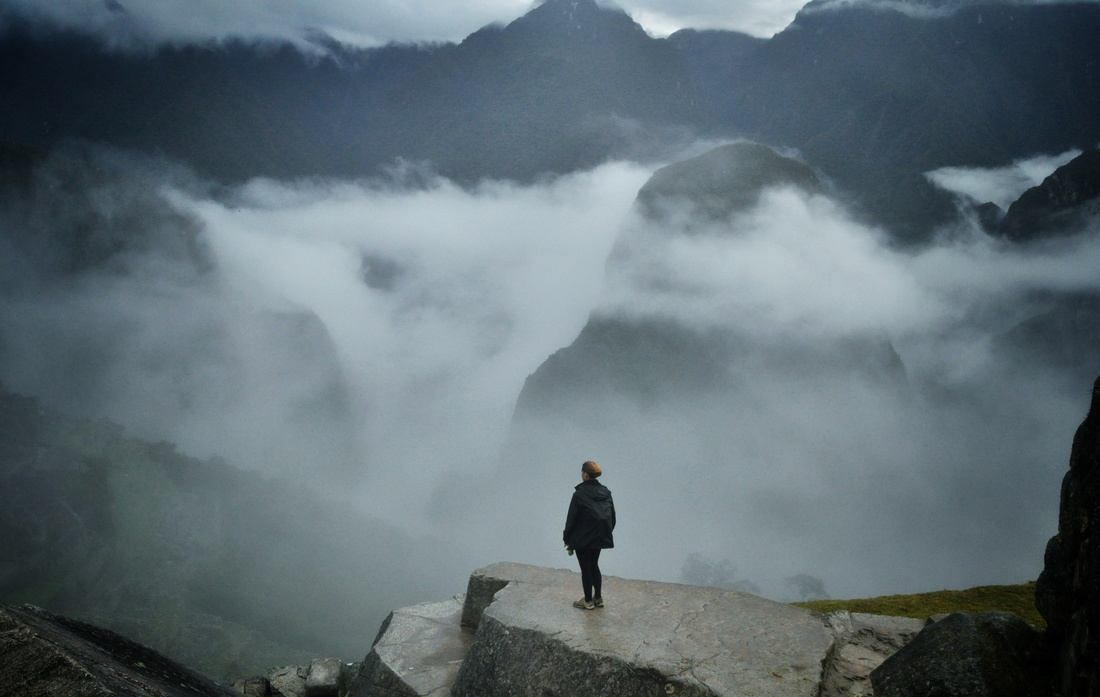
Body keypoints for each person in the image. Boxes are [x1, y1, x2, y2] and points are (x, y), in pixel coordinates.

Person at [563, 460, 616, 610]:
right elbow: (612, 517)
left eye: (582, 472)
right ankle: (598, 598)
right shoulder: (606, 492)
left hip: (582, 538)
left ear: (585, 475)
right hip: (600, 535)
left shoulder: (579, 495)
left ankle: (587, 601)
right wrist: (605, 532)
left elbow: (571, 520)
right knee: (594, 565)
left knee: (585, 568)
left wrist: (567, 539)